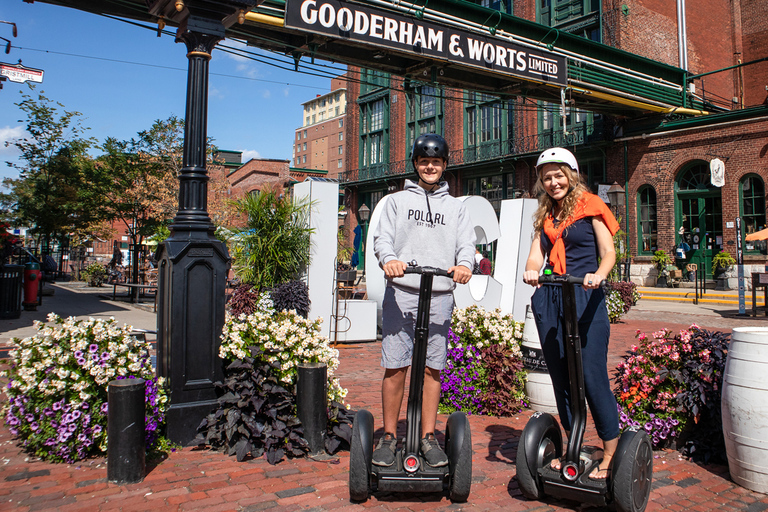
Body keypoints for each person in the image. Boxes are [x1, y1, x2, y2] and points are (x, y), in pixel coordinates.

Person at [372, 133, 475, 468]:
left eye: (436, 162)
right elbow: (382, 238)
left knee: (433, 368)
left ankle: (429, 435)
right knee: (396, 365)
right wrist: (389, 259)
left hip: (441, 295)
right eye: (424, 162)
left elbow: (466, 245)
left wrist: (464, 265)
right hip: (402, 292)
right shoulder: (397, 202)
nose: (430, 167)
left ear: (444, 165)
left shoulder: (456, 208)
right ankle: (389, 435)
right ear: (415, 164)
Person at [522, 147, 620, 480]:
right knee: (561, 379)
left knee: (591, 378)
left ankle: (610, 452)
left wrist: (599, 274)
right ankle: (573, 444)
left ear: (571, 175)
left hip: (585, 293)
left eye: (558, 175)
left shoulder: (591, 205)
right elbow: (535, 257)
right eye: (547, 177)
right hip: (552, 297)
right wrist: (532, 270)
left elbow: (608, 252)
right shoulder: (545, 215)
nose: (553, 182)